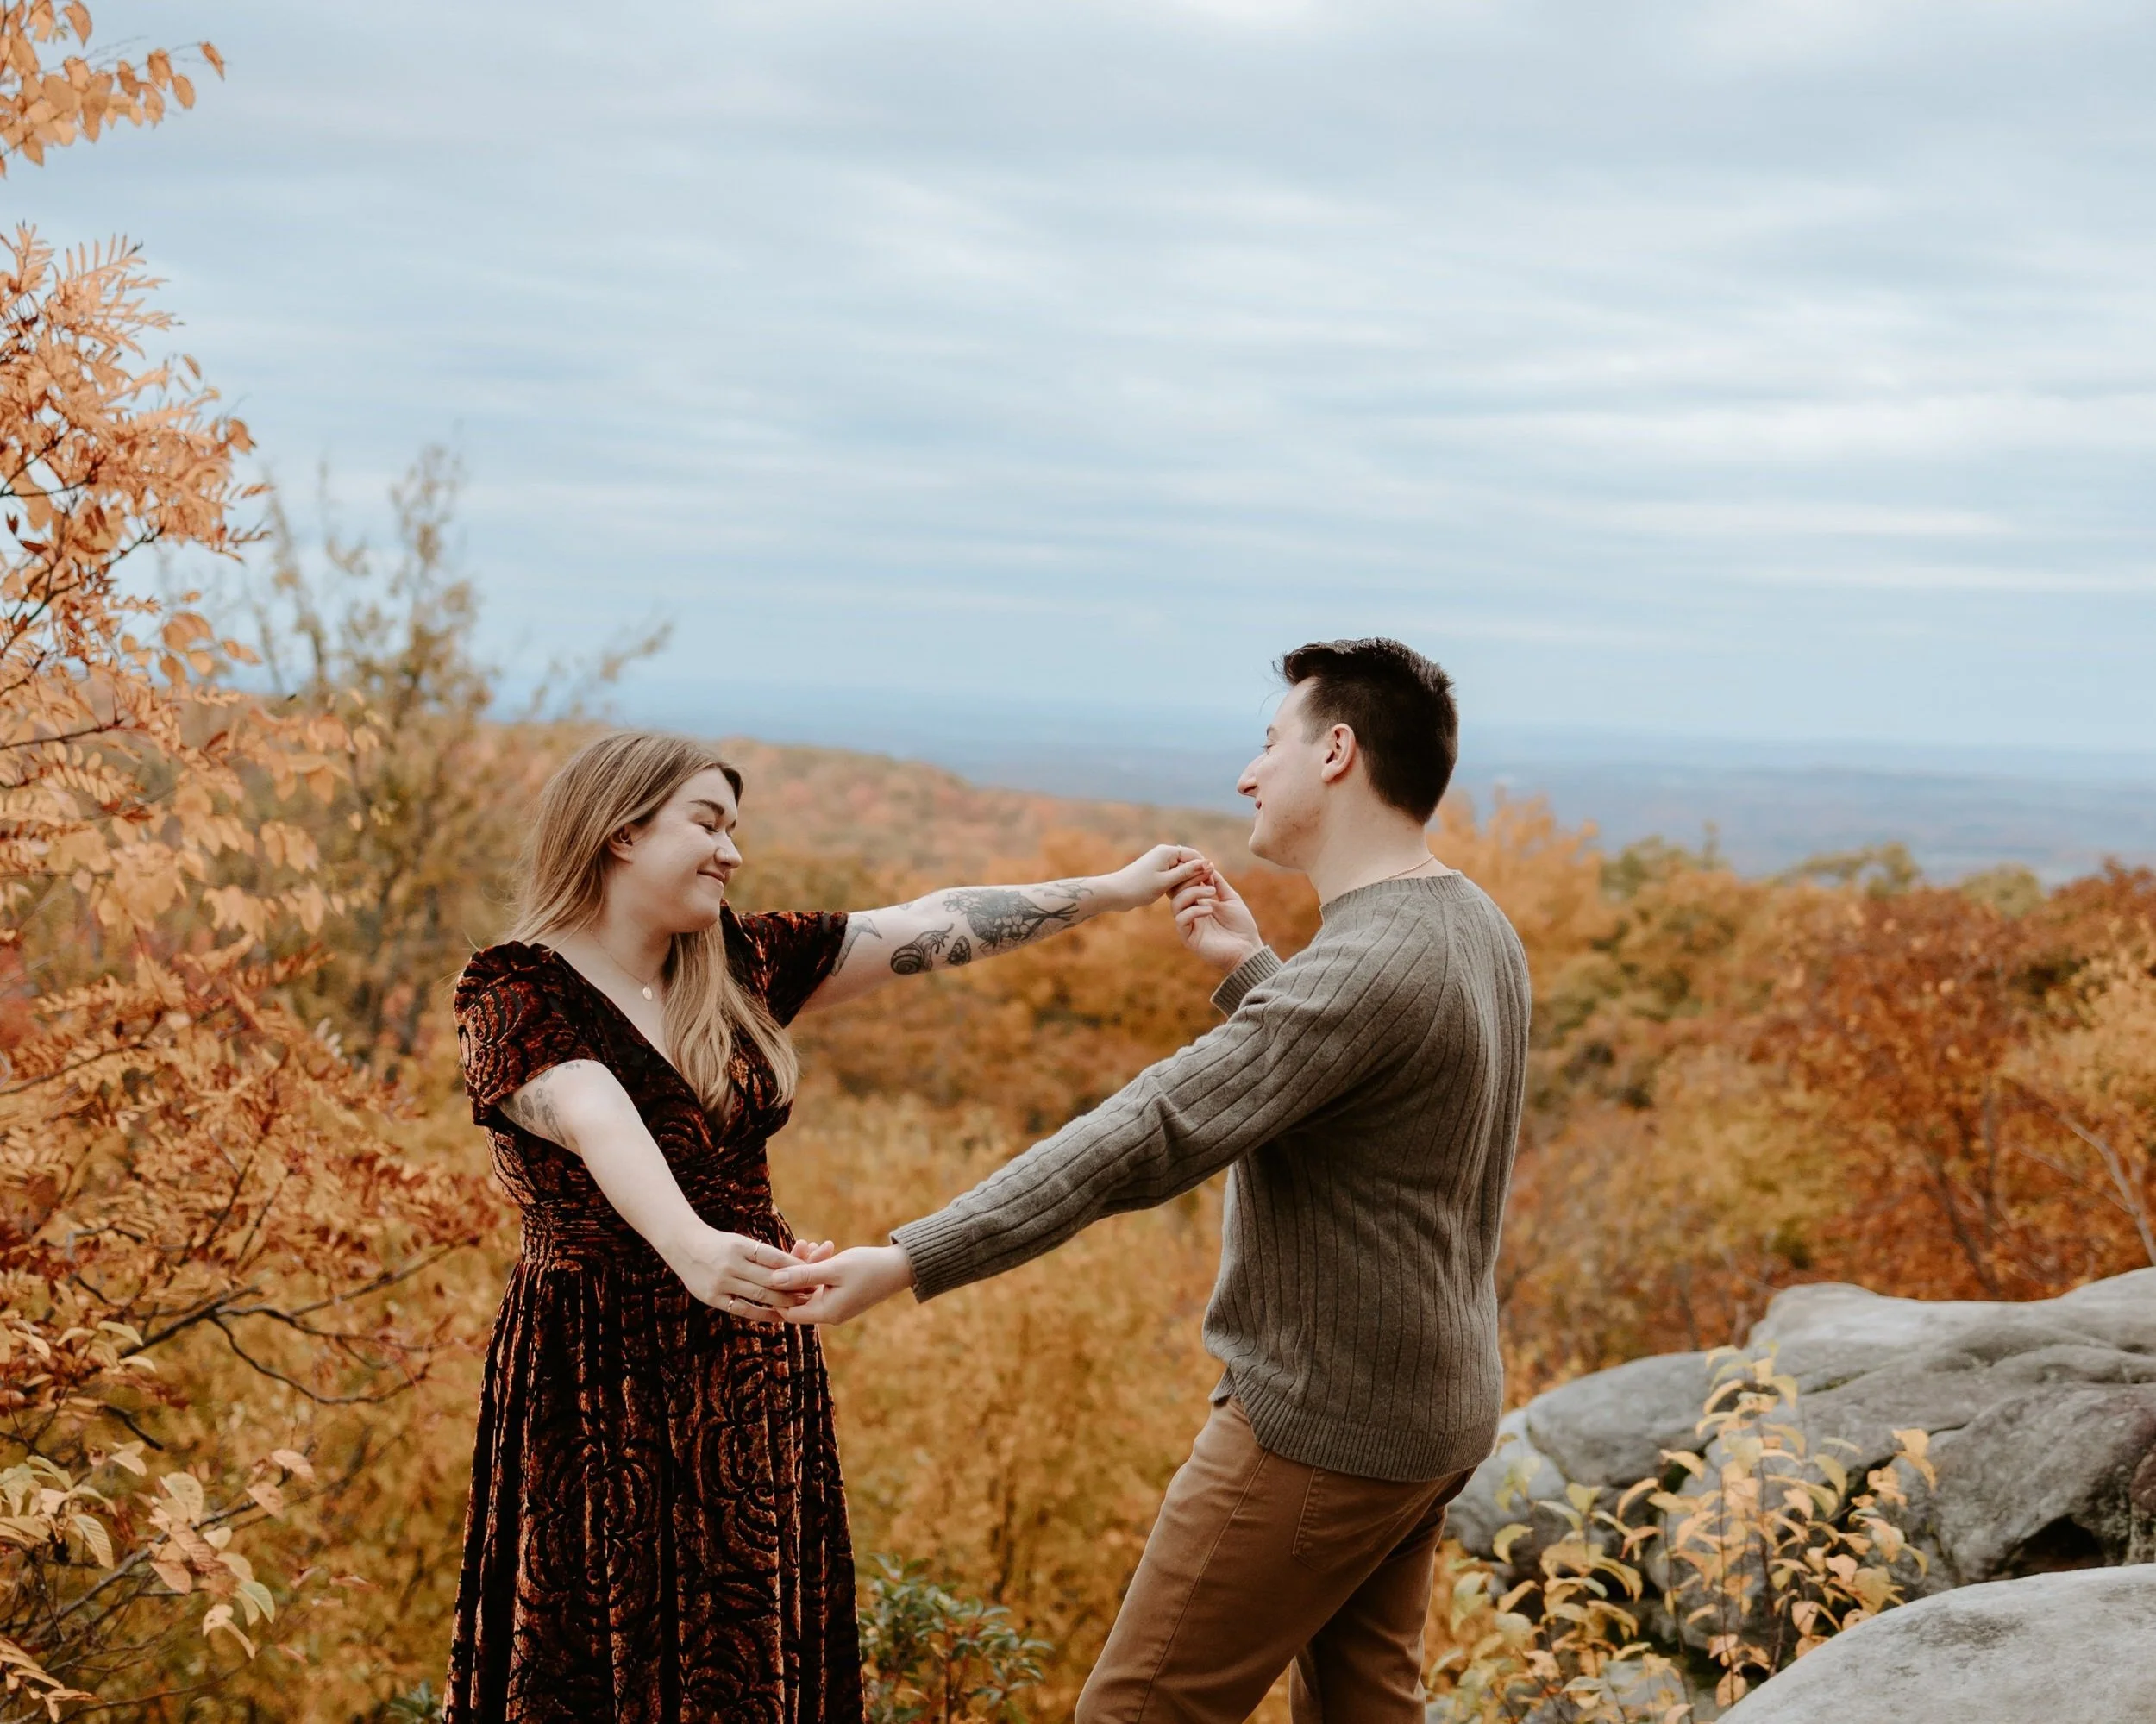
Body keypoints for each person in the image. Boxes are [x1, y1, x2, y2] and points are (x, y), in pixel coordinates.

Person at [774, 638, 1532, 1723]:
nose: (1246, 773)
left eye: (1268, 741)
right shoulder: (1471, 923)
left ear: (1336, 750)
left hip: (1322, 1422)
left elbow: (1151, 1128)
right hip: (1431, 1411)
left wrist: (905, 1257)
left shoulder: (1364, 967)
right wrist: (1251, 976)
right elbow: (1368, 1102)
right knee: (1368, 1708)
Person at [442, 729, 1207, 1724]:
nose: (732, 851)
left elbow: (928, 923)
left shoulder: (736, 962)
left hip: (748, 1363)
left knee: (744, 1656)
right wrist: (691, 1245)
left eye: (735, 828)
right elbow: (590, 1108)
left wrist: (1112, 890)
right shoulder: (513, 988)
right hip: (596, 1376)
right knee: (597, 1652)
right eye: (708, 824)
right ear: (621, 832)